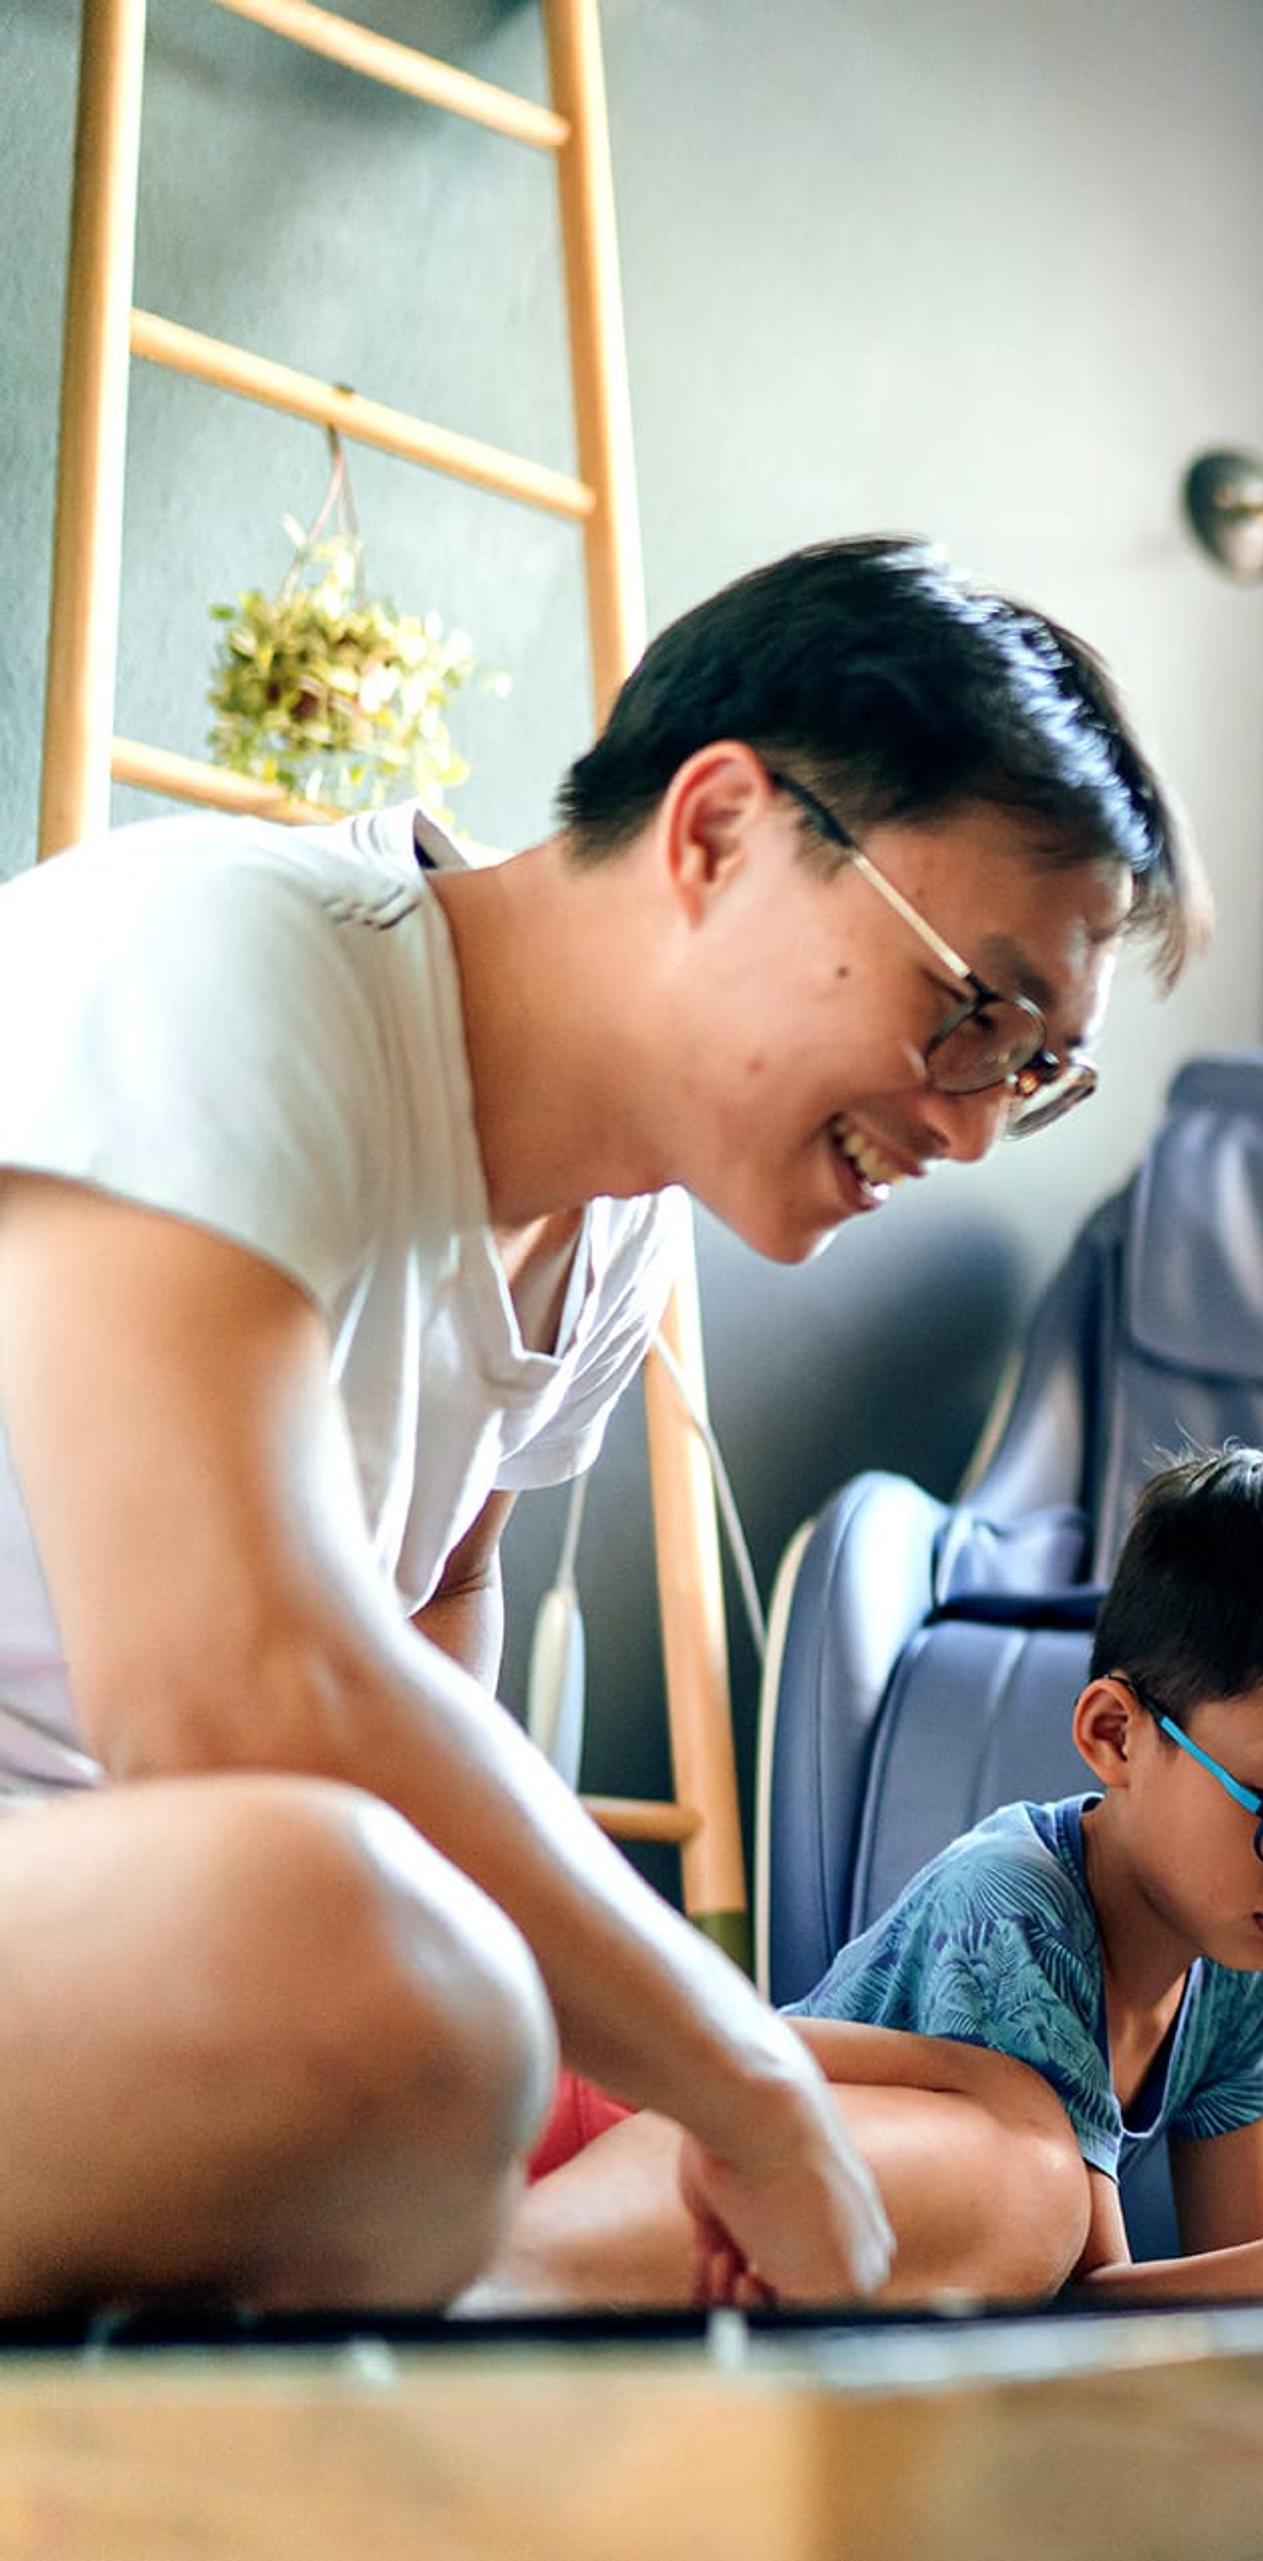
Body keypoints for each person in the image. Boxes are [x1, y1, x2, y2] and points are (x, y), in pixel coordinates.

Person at [0, 536, 1200, 2314]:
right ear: (715, 830)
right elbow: (230, 1692)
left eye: (1030, 1070)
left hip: (212, 1957)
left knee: (1005, 2158)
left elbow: (431, 1620)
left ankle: (429, 2265)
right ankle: (411, 2249)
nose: (964, 1130)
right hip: (149, 1917)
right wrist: (724, 2077)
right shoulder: (230, 965)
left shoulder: (614, 1228)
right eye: (972, 1008)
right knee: (363, 1959)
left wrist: (708, 2083)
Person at [495, 1449, 1263, 2359]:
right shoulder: (1017, 1912)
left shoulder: (1243, 1938)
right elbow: (1081, 2298)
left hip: (754, 2238)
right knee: (1032, 2178)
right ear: (1115, 1733)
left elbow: (1247, 2286)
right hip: (618, 2148)